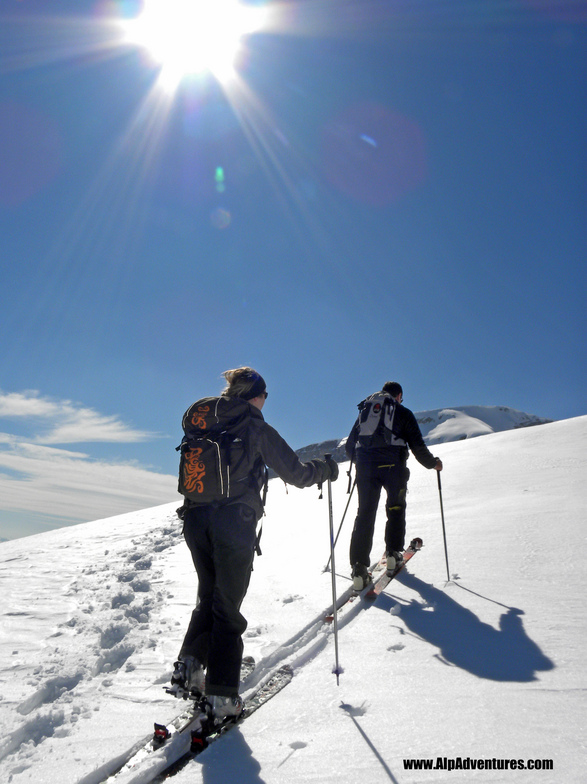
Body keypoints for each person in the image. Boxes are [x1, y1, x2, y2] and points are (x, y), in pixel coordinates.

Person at [172, 367, 339, 723]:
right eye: (265, 396)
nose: (266, 402)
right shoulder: (254, 426)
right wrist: (326, 470)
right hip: (233, 524)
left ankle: (189, 666)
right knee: (227, 608)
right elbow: (296, 473)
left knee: (210, 595)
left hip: (195, 519)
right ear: (256, 395)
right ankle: (221, 698)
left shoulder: (205, 422)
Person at [345, 381, 442, 590]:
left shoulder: (365, 412)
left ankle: (359, 569)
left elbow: (349, 448)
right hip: (394, 469)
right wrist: (434, 464)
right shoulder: (403, 412)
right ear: (398, 396)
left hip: (366, 470)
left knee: (365, 514)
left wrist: (365, 462)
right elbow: (418, 448)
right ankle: (393, 554)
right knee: (396, 508)